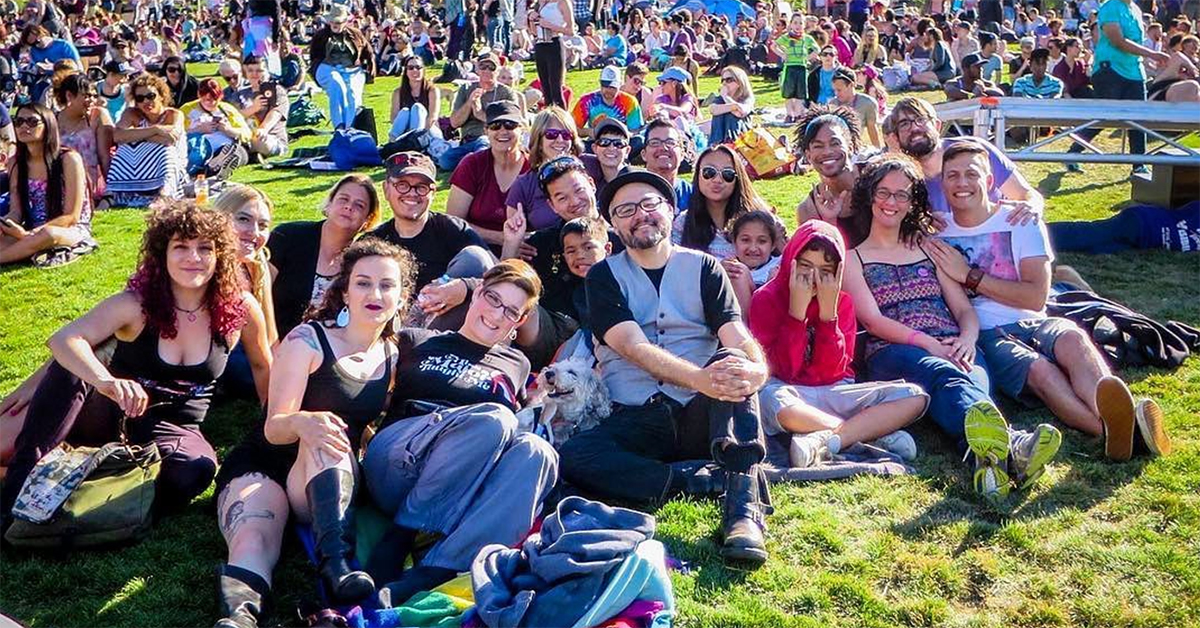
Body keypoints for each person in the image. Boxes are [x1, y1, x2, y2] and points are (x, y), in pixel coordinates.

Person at [1, 202, 272, 525]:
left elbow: (262, 366)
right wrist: (107, 382)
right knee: (71, 370)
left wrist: (271, 428)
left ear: (220, 255)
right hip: (108, 410)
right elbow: (65, 340)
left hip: (171, 425)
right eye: (181, 247)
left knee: (195, 471)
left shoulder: (240, 308)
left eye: (205, 248)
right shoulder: (135, 303)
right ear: (162, 254)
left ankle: (82, 481)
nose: (193, 258)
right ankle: (20, 481)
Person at [559, 170, 774, 569]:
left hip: (700, 407)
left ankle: (743, 513)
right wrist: (698, 377)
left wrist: (757, 368)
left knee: (735, 364)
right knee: (573, 456)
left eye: (649, 204)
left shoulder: (706, 267)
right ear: (613, 223)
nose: (639, 215)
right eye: (625, 210)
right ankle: (692, 480)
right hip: (637, 414)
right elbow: (631, 345)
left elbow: (735, 332)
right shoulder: (603, 276)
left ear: (669, 210)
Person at [925, 142, 1172, 459]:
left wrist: (970, 276)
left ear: (988, 181)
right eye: (952, 176)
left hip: (1037, 318)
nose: (962, 183)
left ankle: (1118, 425)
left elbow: (1035, 295)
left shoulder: (1020, 220)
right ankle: (1121, 433)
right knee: (1041, 372)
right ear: (942, 184)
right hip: (987, 333)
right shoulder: (938, 234)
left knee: (1073, 338)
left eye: (971, 174)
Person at [212, 238, 410, 627]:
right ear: (345, 291)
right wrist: (304, 421)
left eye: (387, 285)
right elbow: (274, 428)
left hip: (322, 480)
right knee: (253, 535)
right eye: (363, 283)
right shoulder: (308, 340)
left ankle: (335, 567)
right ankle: (239, 618)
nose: (375, 293)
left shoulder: (394, 352)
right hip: (268, 461)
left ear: (402, 297)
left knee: (329, 438)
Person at [841, 154, 1061, 499]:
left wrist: (968, 339)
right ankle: (1014, 442)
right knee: (946, 376)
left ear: (913, 201)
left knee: (973, 383)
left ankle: (988, 466)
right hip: (895, 351)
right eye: (884, 193)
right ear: (870, 196)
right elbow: (873, 320)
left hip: (954, 344)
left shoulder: (930, 249)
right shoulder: (853, 258)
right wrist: (928, 343)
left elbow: (963, 308)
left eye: (902, 195)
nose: (892, 202)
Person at [362, 259, 558, 602]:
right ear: (477, 292)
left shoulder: (517, 364)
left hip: (465, 483)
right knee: (495, 419)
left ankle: (435, 570)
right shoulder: (415, 340)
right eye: (493, 299)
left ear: (520, 322)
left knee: (537, 452)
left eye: (511, 311)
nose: (497, 315)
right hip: (403, 457)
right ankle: (400, 538)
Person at [748, 219, 929, 467]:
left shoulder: (842, 303)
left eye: (825, 271)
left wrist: (827, 314)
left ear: (838, 272)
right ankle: (871, 435)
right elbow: (785, 370)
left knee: (914, 396)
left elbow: (831, 371)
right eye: (805, 266)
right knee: (769, 400)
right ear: (790, 262)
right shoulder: (766, 298)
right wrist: (796, 314)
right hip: (791, 393)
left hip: (836, 391)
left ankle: (827, 439)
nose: (813, 278)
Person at [498, 156, 618, 366]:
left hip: (612, 328)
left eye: (578, 190)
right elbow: (503, 286)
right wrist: (512, 244)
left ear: (591, 184)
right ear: (551, 205)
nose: (574, 201)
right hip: (553, 329)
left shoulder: (619, 236)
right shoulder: (541, 243)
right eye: (561, 198)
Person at [368, 152, 496, 326]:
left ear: (433, 192)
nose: (412, 194)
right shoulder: (374, 241)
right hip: (385, 326)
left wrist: (465, 287)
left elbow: (498, 273)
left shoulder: (451, 229)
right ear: (386, 189)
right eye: (402, 185)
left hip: (439, 328)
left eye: (421, 187)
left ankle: (417, 318)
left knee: (475, 257)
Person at [884, 97, 1043, 218]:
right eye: (904, 124)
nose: (914, 128)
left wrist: (1032, 206)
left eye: (920, 119)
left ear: (937, 126)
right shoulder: (902, 177)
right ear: (897, 136)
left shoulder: (976, 152)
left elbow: (1026, 194)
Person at [268, 174, 382, 337]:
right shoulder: (288, 236)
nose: (349, 207)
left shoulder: (361, 260)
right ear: (329, 204)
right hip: (271, 341)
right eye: (343, 199)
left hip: (329, 350)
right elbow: (259, 295)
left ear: (367, 219)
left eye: (359, 205)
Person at [1, 103, 94, 266]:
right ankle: (27, 247)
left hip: (67, 229)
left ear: (48, 125)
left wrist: (29, 235)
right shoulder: (16, 163)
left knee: (48, 234)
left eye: (32, 121)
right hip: (29, 229)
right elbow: (16, 211)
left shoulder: (69, 159)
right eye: (18, 121)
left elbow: (71, 217)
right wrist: (6, 224)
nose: (23, 126)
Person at [212, 184, 279, 398]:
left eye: (263, 225)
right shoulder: (198, 264)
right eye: (243, 219)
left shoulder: (257, 266)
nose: (254, 232)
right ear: (220, 217)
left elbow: (269, 335)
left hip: (242, 349)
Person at [1093, 0, 1170, 177]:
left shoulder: (1135, 9)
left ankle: (1139, 164)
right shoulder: (1110, 7)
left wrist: (1149, 60)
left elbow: (1134, 42)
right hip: (1110, 69)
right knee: (1105, 117)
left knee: (1138, 118)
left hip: (1134, 71)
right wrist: (1152, 54)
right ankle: (1074, 151)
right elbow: (1118, 41)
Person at [504, 107, 604, 235]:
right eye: (551, 135)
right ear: (539, 141)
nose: (560, 140)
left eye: (566, 135)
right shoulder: (523, 184)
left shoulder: (592, 164)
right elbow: (513, 232)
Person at [446, 101, 531, 251]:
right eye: (495, 126)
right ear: (486, 131)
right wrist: (503, 238)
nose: (503, 131)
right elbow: (453, 222)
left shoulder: (534, 168)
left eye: (510, 125)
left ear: (521, 129)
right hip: (477, 248)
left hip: (528, 250)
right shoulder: (472, 164)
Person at [673, 144, 774, 261]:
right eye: (709, 172)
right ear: (697, 176)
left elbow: (786, 260)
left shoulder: (760, 219)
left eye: (727, 174)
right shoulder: (682, 224)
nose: (717, 180)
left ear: (738, 179)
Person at [107, 72, 188, 207]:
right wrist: (155, 130)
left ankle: (164, 194)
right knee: (124, 150)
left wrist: (135, 136)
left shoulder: (173, 114)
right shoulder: (131, 114)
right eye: (140, 98)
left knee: (165, 151)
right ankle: (114, 194)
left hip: (171, 164)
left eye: (150, 96)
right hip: (139, 164)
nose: (146, 102)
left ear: (161, 96)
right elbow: (118, 136)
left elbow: (170, 139)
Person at [439, 50, 520, 171]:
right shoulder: (466, 89)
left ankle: (476, 166)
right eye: (483, 66)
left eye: (491, 67)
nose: (487, 71)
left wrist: (480, 113)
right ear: (477, 68)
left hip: (493, 140)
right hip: (468, 141)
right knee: (445, 161)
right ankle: (475, 162)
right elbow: (455, 123)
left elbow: (512, 123)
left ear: (497, 70)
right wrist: (469, 103)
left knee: (482, 143)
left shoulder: (506, 92)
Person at [793, 106, 865, 234]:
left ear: (851, 146)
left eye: (835, 143)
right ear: (808, 155)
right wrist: (828, 219)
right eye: (818, 146)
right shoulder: (808, 210)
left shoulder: (876, 178)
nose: (827, 152)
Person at [308, 5, 375, 130]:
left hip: (352, 69)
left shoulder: (355, 34)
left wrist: (370, 72)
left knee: (353, 94)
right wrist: (315, 70)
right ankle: (339, 126)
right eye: (332, 21)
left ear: (345, 22)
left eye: (338, 22)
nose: (335, 24)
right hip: (327, 67)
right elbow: (314, 56)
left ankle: (350, 128)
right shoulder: (321, 35)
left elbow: (369, 53)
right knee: (337, 85)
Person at [53, 73, 113, 208]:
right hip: (62, 183)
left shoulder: (97, 116)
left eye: (94, 96)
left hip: (90, 183)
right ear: (69, 96)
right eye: (86, 96)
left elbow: (105, 156)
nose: (91, 100)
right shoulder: (54, 120)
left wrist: (111, 189)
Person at [181, 78, 252, 178]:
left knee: (238, 153)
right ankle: (214, 166)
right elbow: (176, 132)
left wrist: (227, 129)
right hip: (200, 148)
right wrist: (198, 129)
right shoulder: (187, 110)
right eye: (207, 100)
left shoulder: (227, 109)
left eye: (216, 99)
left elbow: (246, 134)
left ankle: (215, 166)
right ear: (199, 95)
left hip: (225, 146)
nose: (212, 103)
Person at [233, 55, 289, 160]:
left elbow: (276, 113)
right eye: (250, 71)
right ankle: (246, 154)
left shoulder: (277, 91)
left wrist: (263, 129)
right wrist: (253, 108)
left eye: (259, 71)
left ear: (267, 71)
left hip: (270, 137)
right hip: (244, 136)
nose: (254, 74)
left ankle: (244, 154)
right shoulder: (239, 94)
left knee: (259, 140)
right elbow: (235, 116)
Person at [571, 65, 644, 139]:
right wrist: (589, 132)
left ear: (619, 85)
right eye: (605, 86)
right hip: (596, 142)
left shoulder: (630, 102)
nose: (608, 90)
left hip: (622, 143)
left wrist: (622, 134)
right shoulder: (587, 101)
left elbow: (636, 131)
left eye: (612, 87)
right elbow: (572, 128)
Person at [769, 13, 818, 123]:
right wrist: (782, 54)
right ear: (791, 24)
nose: (798, 25)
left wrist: (808, 58)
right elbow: (773, 45)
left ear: (804, 25)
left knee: (800, 93)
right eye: (795, 22)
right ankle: (789, 114)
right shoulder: (786, 38)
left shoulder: (807, 39)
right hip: (790, 67)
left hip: (801, 67)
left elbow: (817, 49)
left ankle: (797, 114)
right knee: (789, 93)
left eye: (801, 23)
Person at [531, 0, 575, 109]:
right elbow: (534, 32)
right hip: (540, 44)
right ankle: (548, 119)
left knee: (556, 88)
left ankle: (562, 119)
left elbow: (571, 30)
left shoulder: (562, 3)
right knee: (545, 89)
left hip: (554, 43)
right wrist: (532, 19)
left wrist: (550, 26)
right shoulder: (540, 4)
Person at [642, 118, 691, 214]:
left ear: (682, 154)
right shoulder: (632, 194)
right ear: (644, 154)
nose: (663, 148)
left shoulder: (693, 195)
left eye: (670, 143)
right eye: (655, 143)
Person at [387, 55, 440, 142]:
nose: (415, 70)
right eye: (411, 68)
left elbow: (432, 118)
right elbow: (394, 118)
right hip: (404, 131)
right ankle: (392, 142)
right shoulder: (398, 93)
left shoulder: (432, 90)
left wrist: (418, 133)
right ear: (406, 71)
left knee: (417, 108)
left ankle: (415, 141)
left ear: (423, 70)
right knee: (404, 112)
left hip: (428, 131)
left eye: (418, 67)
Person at [829, 67, 882, 148]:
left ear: (851, 85)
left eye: (839, 90)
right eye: (834, 90)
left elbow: (872, 129)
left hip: (855, 147)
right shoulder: (832, 104)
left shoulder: (867, 103)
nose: (836, 93)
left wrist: (878, 150)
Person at [708, 66, 755, 146]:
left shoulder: (747, 98)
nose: (724, 83)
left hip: (742, 139)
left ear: (739, 82)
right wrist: (734, 107)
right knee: (721, 113)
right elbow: (713, 110)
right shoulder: (720, 99)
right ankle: (716, 145)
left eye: (729, 80)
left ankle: (730, 144)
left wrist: (726, 98)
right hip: (719, 140)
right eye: (722, 80)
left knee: (731, 116)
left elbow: (741, 112)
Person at [653, 66, 700, 139]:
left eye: (663, 82)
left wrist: (663, 107)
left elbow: (683, 111)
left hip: (687, 134)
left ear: (674, 83)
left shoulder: (688, 98)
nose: (661, 86)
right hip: (664, 135)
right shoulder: (660, 99)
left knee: (680, 121)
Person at [590, 118, 632, 188]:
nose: (611, 148)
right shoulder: (589, 179)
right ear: (594, 148)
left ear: (627, 151)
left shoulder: (634, 180)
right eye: (604, 142)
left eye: (618, 143)